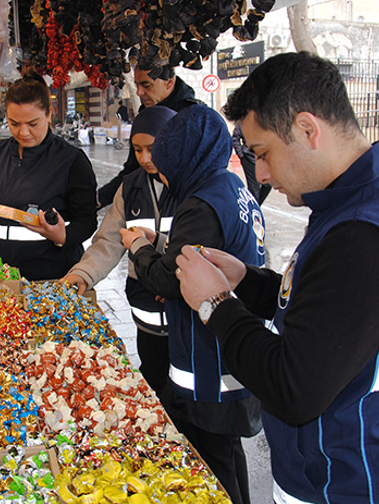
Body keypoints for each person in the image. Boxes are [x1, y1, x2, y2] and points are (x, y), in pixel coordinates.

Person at [174, 52, 379, 503]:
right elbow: (326, 310)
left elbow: (292, 387)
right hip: (334, 475)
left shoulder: (367, 234)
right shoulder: (368, 194)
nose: (260, 174)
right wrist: (247, 282)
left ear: (306, 130)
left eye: (263, 154)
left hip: (358, 485)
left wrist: (216, 305)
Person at [120, 105, 265, 504]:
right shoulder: (232, 186)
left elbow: (171, 277)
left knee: (211, 463)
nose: (162, 174)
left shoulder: (200, 203)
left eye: (166, 164)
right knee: (227, 453)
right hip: (230, 360)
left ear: (186, 159)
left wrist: (139, 249)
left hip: (209, 364)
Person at [61, 106, 178, 395]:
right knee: (153, 378)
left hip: (183, 312)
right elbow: (109, 241)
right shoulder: (131, 187)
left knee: (184, 388)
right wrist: (83, 274)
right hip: (146, 311)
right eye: (137, 150)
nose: (145, 158)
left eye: (152, 149)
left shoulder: (190, 185)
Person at [0, 70, 98, 281]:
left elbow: (87, 220)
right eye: (14, 123)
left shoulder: (71, 161)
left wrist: (63, 236)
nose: (23, 133)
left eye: (33, 124)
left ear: (49, 115)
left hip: (49, 281)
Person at [96, 66, 204, 208]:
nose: (139, 92)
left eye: (146, 85)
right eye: (137, 85)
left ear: (169, 82)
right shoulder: (145, 114)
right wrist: (100, 198)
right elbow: (132, 169)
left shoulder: (197, 118)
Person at [232, 123, 271, 205]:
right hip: (249, 160)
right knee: (254, 188)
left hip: (264, 159)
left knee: (268, 184)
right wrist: (241, 154)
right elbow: (235, 137)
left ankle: (254, 207)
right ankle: (254, 209)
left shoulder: (266, 121)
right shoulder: (245, 121)